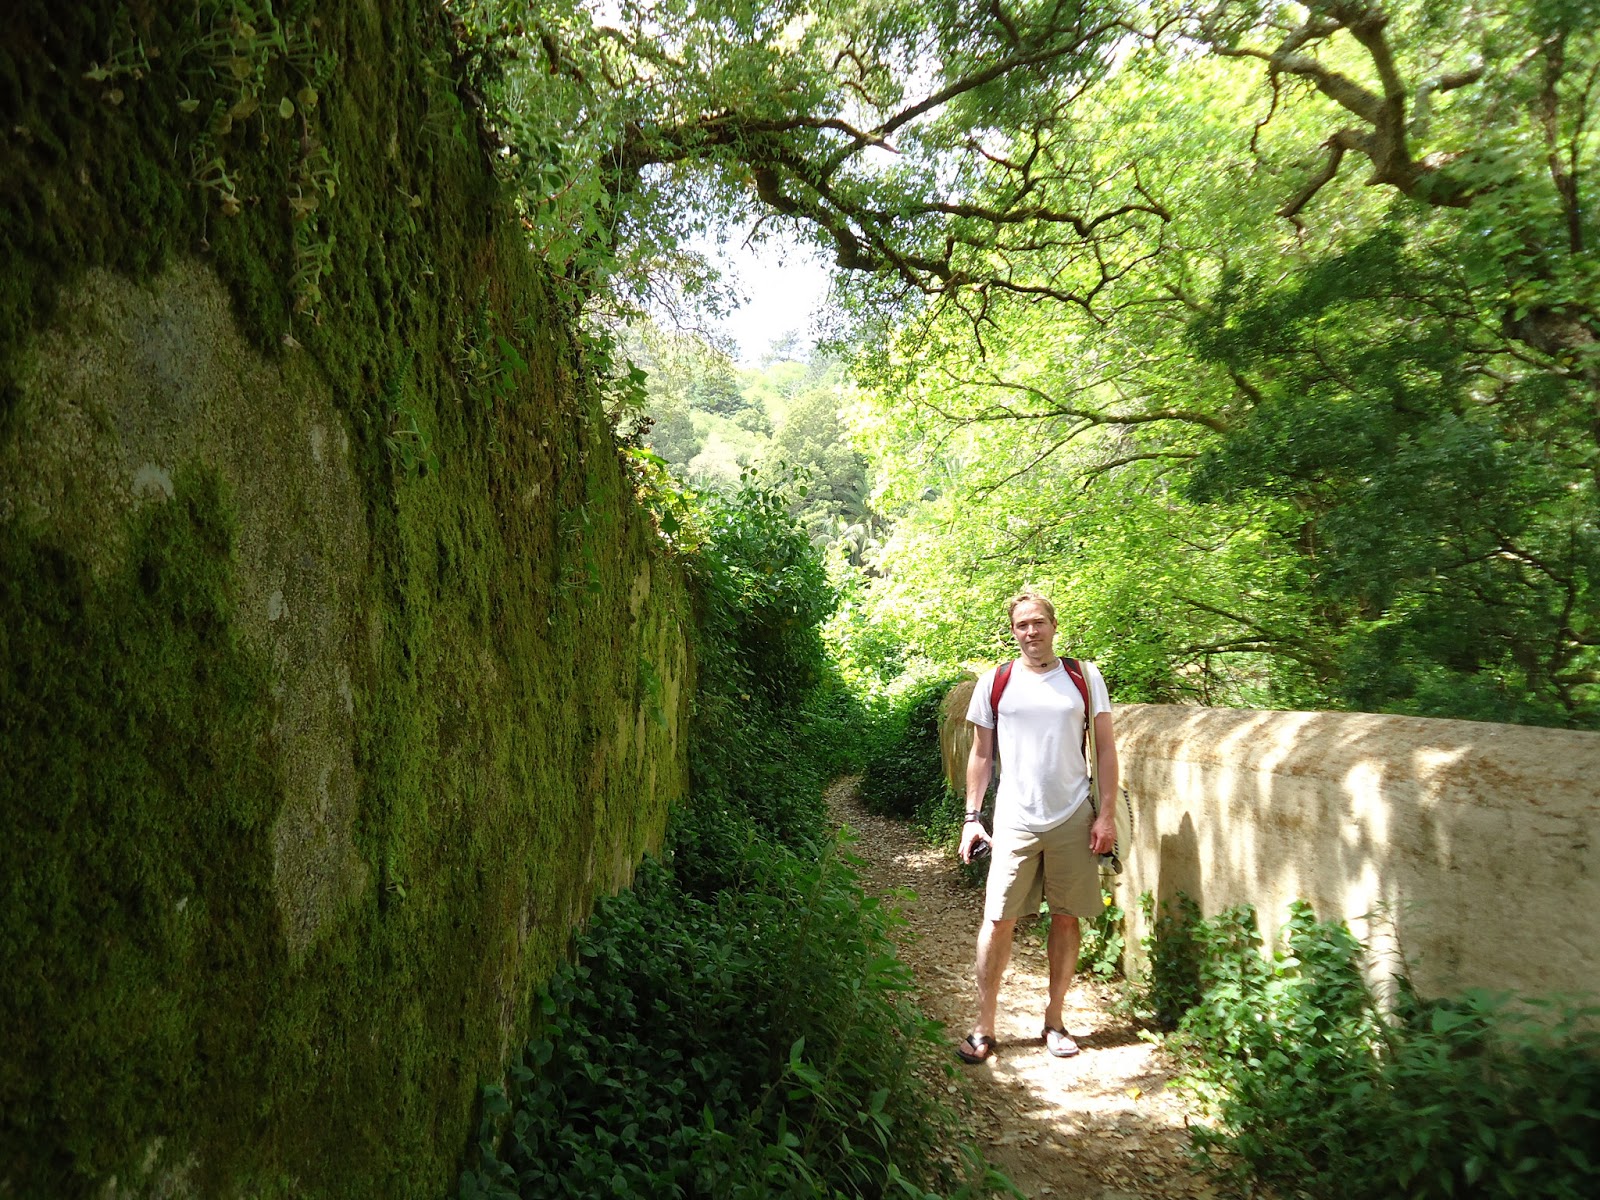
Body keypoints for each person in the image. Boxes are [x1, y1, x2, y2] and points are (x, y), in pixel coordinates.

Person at [955, 591, 1118, 1063]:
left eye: (1038, 622)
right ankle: (984, 1025)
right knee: (997, 919)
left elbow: (1106, 749)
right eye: (1022, 624)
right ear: (1013, 632)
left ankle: (1055, 1020)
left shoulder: (1084, 677)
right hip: (1014, 818)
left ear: (1053, 625)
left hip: (1073, 815)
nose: (1031, 631)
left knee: (1066, 917)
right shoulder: (996, 682)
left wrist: (1106, 814)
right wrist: (972, 819)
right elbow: (981, 754)